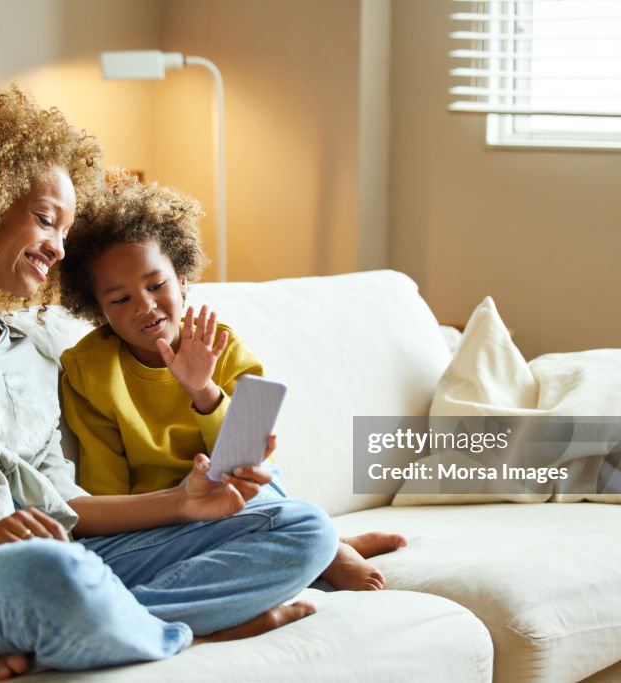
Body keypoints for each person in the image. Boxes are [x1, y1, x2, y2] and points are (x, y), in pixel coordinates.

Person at [0, 86, 338, 683]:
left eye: (65, 231)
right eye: (47, 219)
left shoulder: (33, 350)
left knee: (303, 528)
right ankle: (189, 630)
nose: (57, 247)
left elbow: (68, 508)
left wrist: (182, 503)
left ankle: (84, 634)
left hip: (50, 546)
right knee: (52, 576)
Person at [59, 171, 407, 593]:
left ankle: (326, 547)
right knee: (109, 566)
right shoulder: (87, 370)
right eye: (120, 299)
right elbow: (105, 495)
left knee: (260, 482)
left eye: (156, 285)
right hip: (160, 521)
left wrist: (203, 391)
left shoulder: (221, 343)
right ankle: (321, 547)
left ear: (183, 280)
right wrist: (179, 508)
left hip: (238, 500)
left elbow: (253, 455)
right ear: (98, 311)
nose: (145, 306)